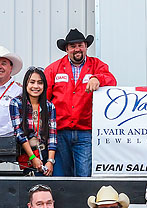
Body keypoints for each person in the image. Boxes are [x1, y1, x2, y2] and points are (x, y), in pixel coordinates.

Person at [45, 28, 117, 177]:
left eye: (80, 45)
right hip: (60, 132)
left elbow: (112, 81)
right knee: (62, 175)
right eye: (73, 46)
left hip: (85, 132)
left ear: (86, 47)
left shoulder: (97, 65)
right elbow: (44, 97)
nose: (77, 49)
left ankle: (81, 201)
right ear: (66, 49)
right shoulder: (53, 69)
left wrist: (98, 78)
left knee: (84, 175)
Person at [10, 67, 57, 175]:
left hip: (46, 153)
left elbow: (52, 136)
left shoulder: (49, 106)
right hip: (28, 154)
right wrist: (33, 157)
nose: (36, 86)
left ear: (44, 86)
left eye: (40, 83)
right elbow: (19, 134)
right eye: (32, 82)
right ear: (26, 84)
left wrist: (50, 161)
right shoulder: (16, 103)